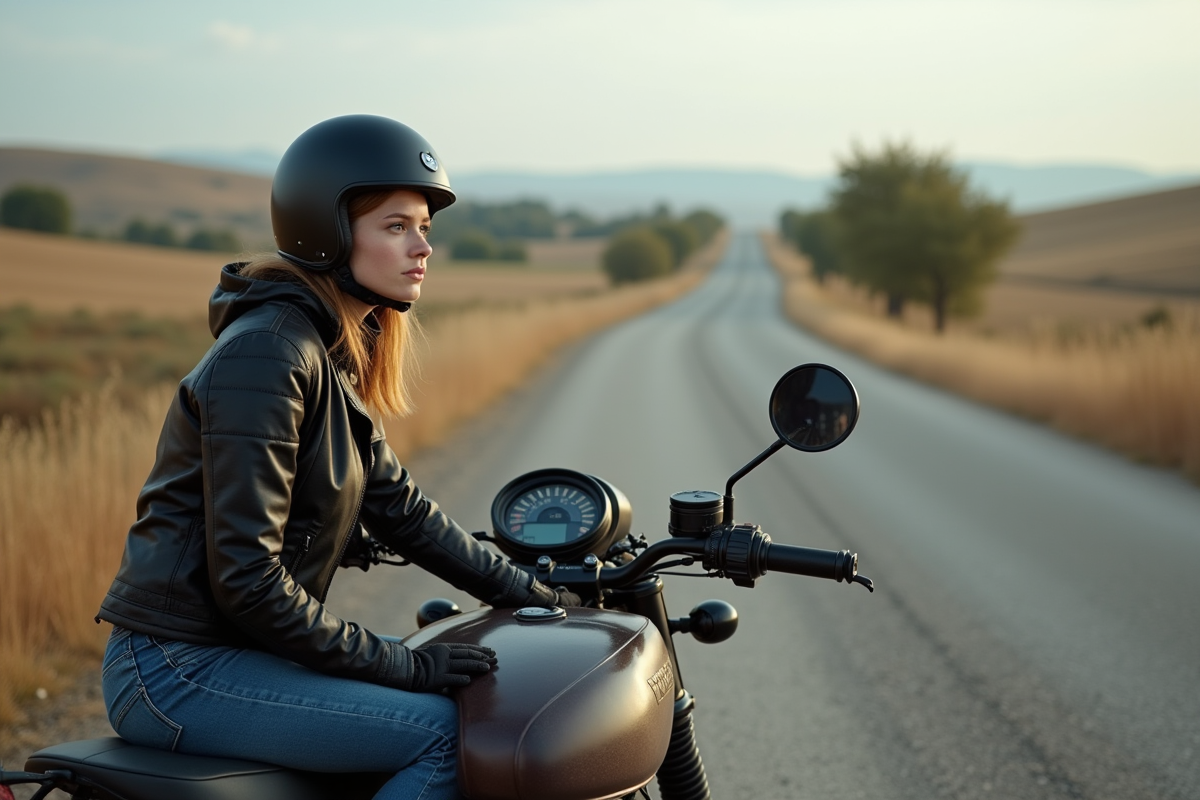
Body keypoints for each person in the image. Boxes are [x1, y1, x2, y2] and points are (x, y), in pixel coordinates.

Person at [95, 114, 576, 800]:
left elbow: (404, 513)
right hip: (177, 669)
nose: (421, 249)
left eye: (425, 229)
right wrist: (400, 667)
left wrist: (541, 598)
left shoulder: (322, 354)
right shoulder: (269, 354)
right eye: (395, 226)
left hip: (232, 656)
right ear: (327, 234)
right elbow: (247, 578)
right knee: (445, 733)